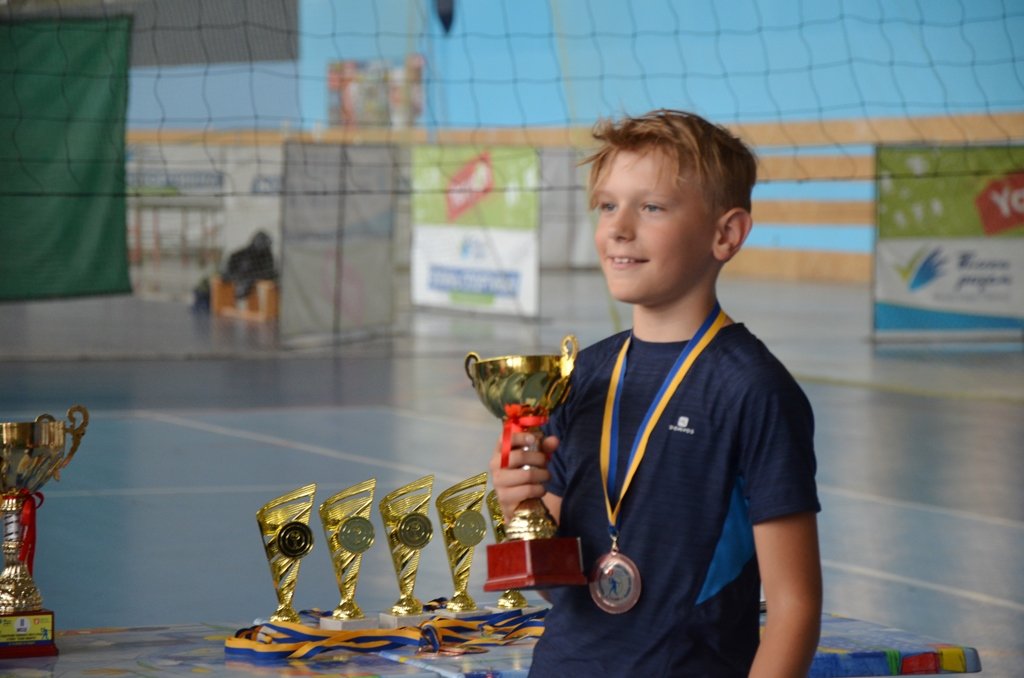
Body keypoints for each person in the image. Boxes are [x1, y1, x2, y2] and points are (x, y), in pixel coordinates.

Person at [490, 109, 822, 677]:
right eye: (607, 205)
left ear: (726, 234)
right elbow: (555, 584)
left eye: (652, 207)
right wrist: (518, 506)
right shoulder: (581, 376)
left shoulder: (753, 390)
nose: (619, 228)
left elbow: (795, 608)